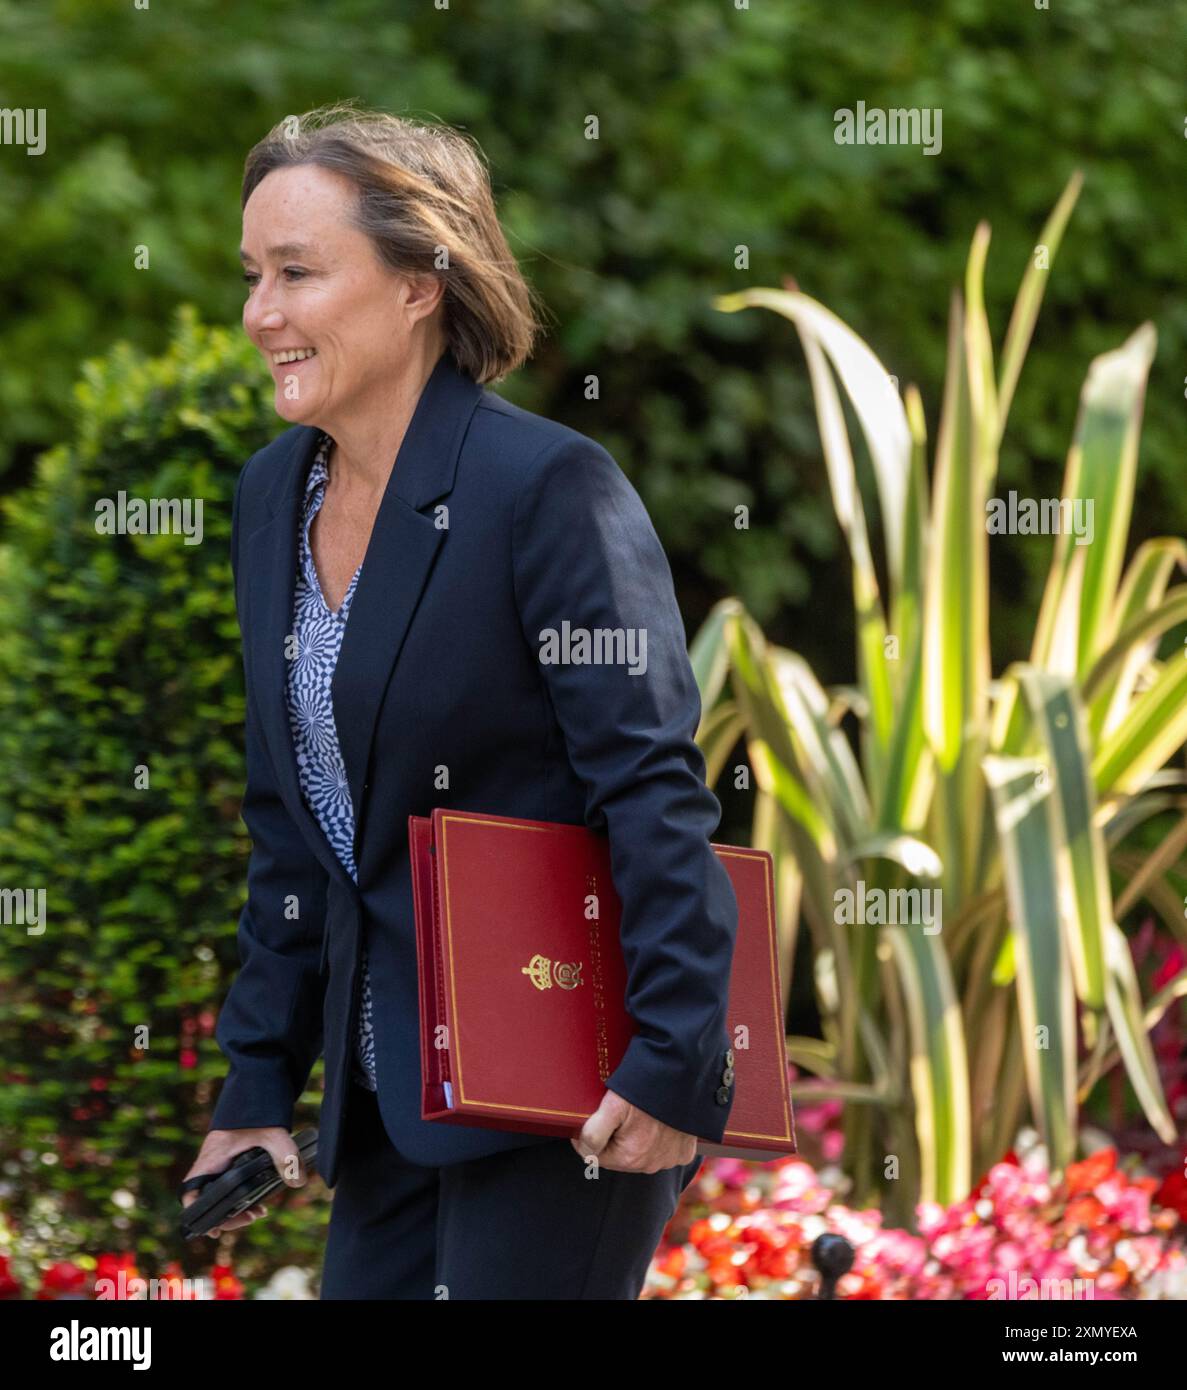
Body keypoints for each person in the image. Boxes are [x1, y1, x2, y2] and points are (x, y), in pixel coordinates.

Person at [181, 102, 739, 1300]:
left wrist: (673, 1059)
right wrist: (256, 1087)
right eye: (251, 276)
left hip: (568, 1083)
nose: (258, 313)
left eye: (296, 273)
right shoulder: (270, 497)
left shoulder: (546, 489)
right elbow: (291, 825)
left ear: (418, 284)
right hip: (390, 1098)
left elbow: (649, 790)